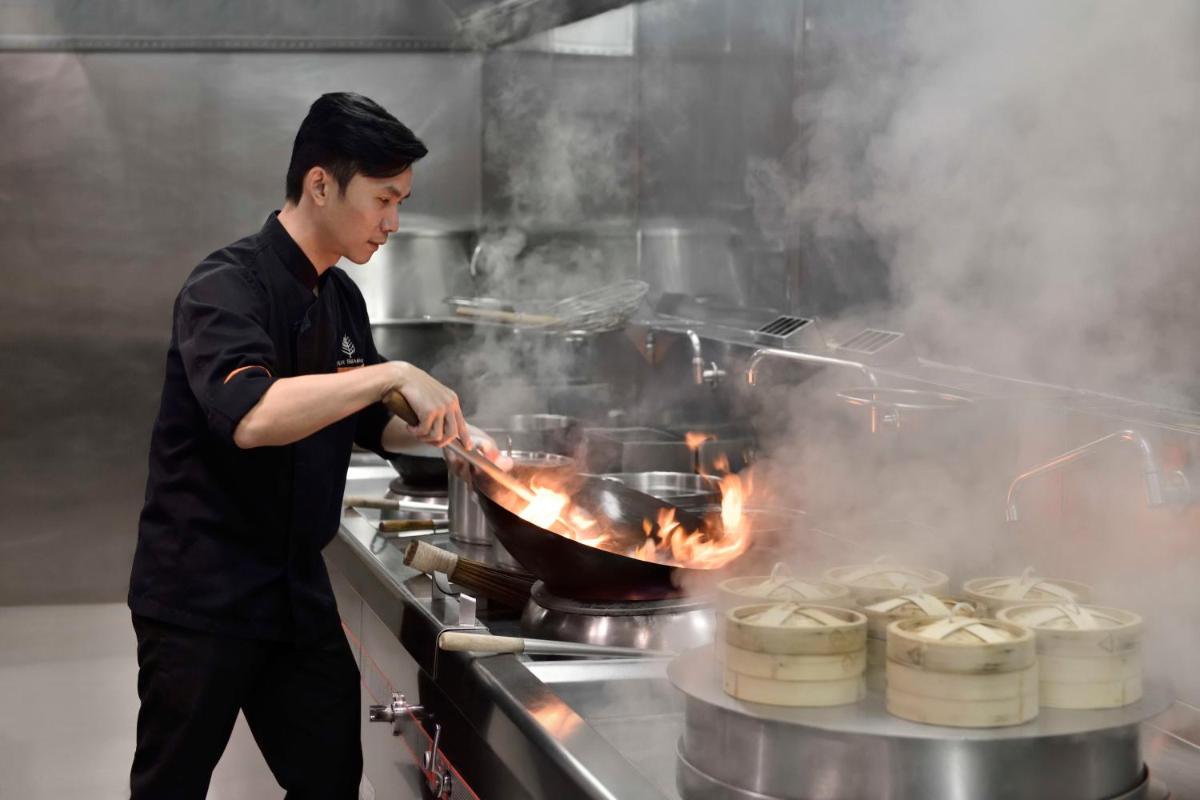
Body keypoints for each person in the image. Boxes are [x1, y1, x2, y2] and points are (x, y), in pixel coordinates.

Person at [127, 92, 497, 799]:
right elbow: (255, 416)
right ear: (321, 183)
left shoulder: (341, 298)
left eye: (402, 202)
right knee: (170, 785)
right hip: (202, 589)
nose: (393, 222)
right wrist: (394, 374)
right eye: (384, 200)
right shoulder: (224, 286)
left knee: (330, 777)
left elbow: (363, 421)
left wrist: (436, 431)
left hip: (295, 589)